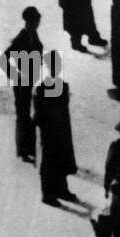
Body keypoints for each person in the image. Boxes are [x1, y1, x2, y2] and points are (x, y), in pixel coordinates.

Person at [32, 52, 78, 206]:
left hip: (62, 129)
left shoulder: (63, 86)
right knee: (48, 163)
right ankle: (47, 194)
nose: (56, 69)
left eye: (58, 66)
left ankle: (61, 190)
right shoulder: (41, 89)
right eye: (53, 66)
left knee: (61, 159)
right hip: (49, 131)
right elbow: (38, 113)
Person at [3, 6, 44, 163]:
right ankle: (23, 151)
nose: (39, 21)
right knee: (23, 116)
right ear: (32, 20)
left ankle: (26, 150)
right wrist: (15, 76)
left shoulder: (32, 34)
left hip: (28, 81)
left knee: (26, 115)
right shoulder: (22, 37)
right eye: (37, 19)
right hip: (22, 83)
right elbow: (2, 59)